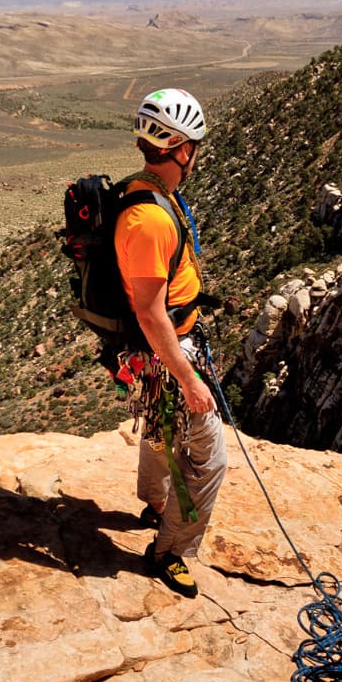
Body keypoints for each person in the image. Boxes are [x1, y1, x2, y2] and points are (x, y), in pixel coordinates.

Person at [116, 88, 227, 600]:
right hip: (168, 351)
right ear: (181, 147)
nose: (197, 154)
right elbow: (149, 310)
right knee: (209, 459)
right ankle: (170, 550)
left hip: (162, 350)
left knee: (160, 429)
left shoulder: (145, 192)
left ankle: (156, 501)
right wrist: (188, 377)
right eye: (195, 145)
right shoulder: (150, 216)